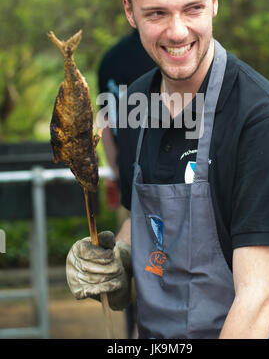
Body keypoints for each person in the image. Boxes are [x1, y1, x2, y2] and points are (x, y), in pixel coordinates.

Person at [66, 0, 269, 339]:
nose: (177, 31)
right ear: (129, 12)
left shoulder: (261, 118)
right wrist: (119, 259)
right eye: (156, 13)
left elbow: (258, 299)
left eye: (192, 8)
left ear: (213, 0)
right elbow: (150, 221)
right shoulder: (135, 101)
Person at [97, 29, 155, 338]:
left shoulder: (111, 58)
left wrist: (117, 169)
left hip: (133, 182)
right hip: (167, 182)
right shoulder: (176, 49)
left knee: (132, 273)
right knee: (137, 267)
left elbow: (104, 122)